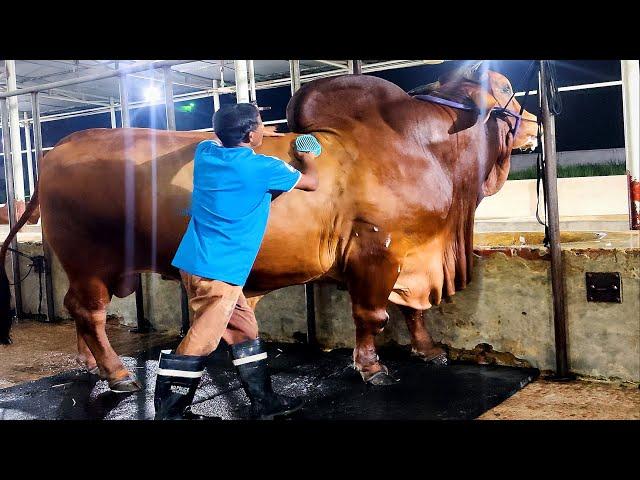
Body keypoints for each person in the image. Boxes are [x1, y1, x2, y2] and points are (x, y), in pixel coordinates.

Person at [153, 103, 319, 420]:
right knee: (202, 340)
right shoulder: (264, 167)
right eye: (259, 125)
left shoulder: (205, 155)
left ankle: (264, 400)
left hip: (196, 262)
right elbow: (312, 182)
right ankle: (171, 412)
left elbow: (213, 138)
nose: (263, 128)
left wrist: (251, 130)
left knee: (244, 328)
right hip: (220, 271)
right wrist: (308, 156)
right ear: (251, 134)